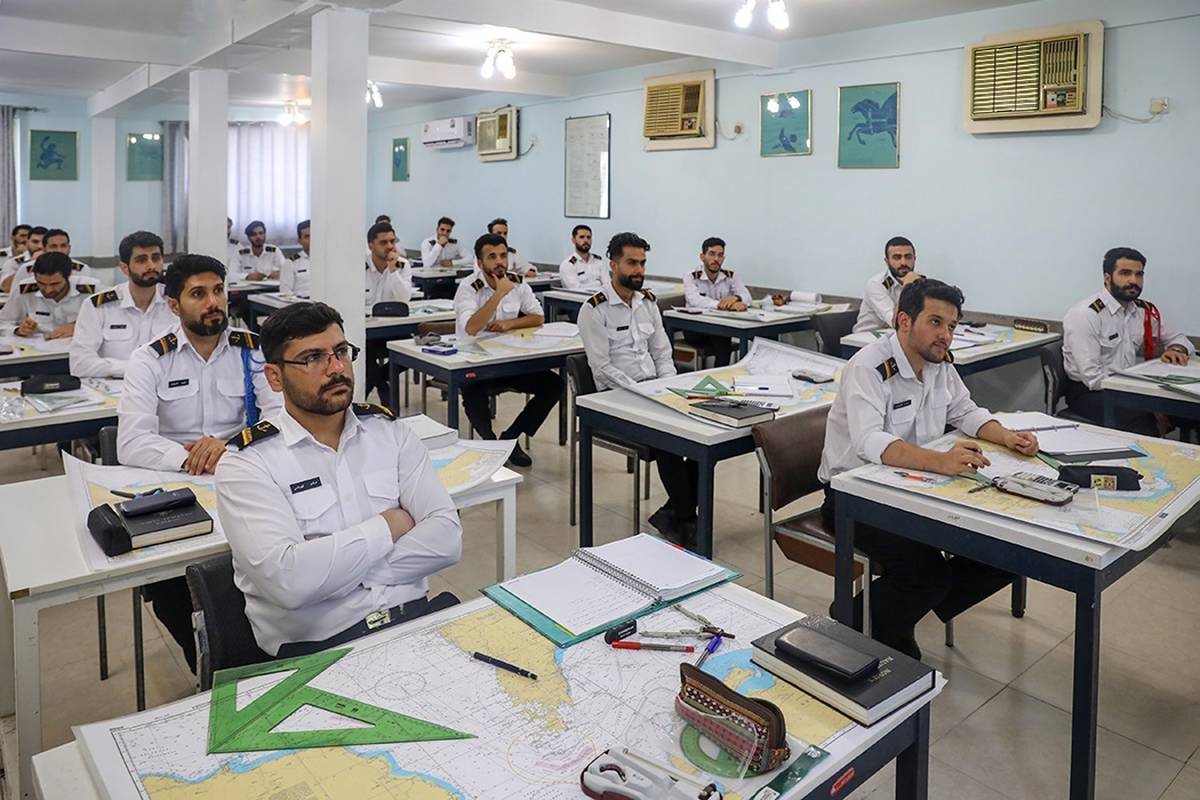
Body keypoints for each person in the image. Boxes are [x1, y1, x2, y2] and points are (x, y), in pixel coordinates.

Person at [216, 301, 463, 657]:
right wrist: (389, 525)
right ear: (274, 377)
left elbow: (447, 539)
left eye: (341, 352)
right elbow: (290, 582)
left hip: (413, 623)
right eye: (312, 358)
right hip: (317, 652)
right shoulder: (247, 463)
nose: (336, 368)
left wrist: (336, 573)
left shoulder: (391, 434)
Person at [819, 278, 1037, 660]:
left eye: (951, 326)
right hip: (854, 495)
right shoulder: (869, 366)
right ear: (904, 320)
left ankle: (895, 609)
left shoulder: (938, 363)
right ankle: (858, 619)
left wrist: (1006, 436)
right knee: (926, 574)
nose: (946, 336)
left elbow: (965, 411)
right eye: (935, 322)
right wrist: (941, 460)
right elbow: (869, 441)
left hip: (917, 488)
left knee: (1008, 550)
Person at [116, 254, 282, 672]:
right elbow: (131, 443)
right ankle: (216, 674)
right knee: (173, 589)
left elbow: (280, 419)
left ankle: (267, 655)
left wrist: (227, 448)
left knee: (274, 565)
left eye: (218, 291)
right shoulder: (149, 359)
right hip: (177, 489)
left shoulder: (253, 350)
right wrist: (192, 457)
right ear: (174, 305)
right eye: (198, 294)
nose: (213, 302)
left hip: (245, 475)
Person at [577, 232, 700, 546]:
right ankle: (687, 519)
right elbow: (601, 368)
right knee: (668, 439)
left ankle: (674, 513)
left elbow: (662, 353)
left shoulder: (648, 303)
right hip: (616, 399)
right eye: (632, 263)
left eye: (642, 263)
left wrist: (667, 386)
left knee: (702, 434)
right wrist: (642, 392)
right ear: (613, 264)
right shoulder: (594, 309)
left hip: (654, 391)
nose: (639, 270)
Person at [453, 233, 560, 467]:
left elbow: (538, 316)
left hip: (507, 360)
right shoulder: (469, 287)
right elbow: (471, 327)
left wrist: (509, 323)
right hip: (474, 361)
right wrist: (499, 293)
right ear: (480, 262)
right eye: (492, 257)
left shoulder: (517, 282)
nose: (500, 262)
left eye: (503, 256)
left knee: (554, 384)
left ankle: (510, 438)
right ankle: (491, 445)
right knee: (472, 390)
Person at [1062, 247, 1194, 434]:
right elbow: (1093, 378)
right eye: (1125, 273)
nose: (1134, 281)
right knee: (1143, 420)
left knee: (1190, 410)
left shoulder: (1142, 311)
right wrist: (1144, 399)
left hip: (1129, 387)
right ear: (1107, 278)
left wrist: (1177, 349)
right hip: (1090, 392)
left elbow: (1179, 338)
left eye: (1139, 274)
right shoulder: (1085, 315)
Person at [70, 231, 175, 378]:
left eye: (156, 258)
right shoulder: (98, 306)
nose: (151, 266)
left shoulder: (176, 302)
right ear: (124, 268)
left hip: (166, 387)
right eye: (141, 260)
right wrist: (138, 369)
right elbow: (80, 365)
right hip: (115, 388)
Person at [682, 237, 752, 367]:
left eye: (720, 255)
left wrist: (736, 298)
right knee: (722, 339)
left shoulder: (730, 276)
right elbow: (694, 300)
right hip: (695, 328)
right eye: (712, 254)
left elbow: (747, 296)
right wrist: (722, 304)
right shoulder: (691, 276)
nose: (716, 259)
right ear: (702, 257)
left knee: (724, 338)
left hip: (720, 328)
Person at [364, 221, 413, 403]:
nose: (390, 246)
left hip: (393, 328)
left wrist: (393, 272)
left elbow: (403, 299)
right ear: (371, 245)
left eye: (392, 241)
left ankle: (377, 381)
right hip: (367, 331)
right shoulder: (358, 266)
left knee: (410, 350)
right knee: (365, 349)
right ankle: (385, 391)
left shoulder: (402, 265)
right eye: (383, 242)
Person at [0, 252, 96, 338]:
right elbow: (3, 322)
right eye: (41, 283)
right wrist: (18, 330)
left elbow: (104, 324)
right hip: (36, 349)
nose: (48, 290)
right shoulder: (24, 290)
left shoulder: (91, 290)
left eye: (55, 284)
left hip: (78, 349)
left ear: (69, 276)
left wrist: (78, 327)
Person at [853, 236, 924, 333]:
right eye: (897, 257)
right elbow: (896, 323)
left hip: (897, 335)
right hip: (866, 338)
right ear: (887, 261)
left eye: (908, 257)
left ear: (914, 259)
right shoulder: (876, 284)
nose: (903, 263)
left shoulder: (920, 281)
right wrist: (907, 286)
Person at [558, 224, 606, 290]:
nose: (586, 240)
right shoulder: (568, 265)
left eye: (588, 237)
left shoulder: (599, 262)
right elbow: (576, 289)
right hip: (578, 296)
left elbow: (608, 285)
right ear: (573, 240)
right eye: (581, 237)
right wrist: (598, 283)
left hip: (602, 296)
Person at [0, 225, 47, 291]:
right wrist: (32, 265)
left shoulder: (56, 260)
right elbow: (6, 287)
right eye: (35, 242)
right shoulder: (14, 262)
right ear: (27, 243)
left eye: (44, 242)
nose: (40, 246)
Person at [280, 219, 312, 296]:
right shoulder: (291, 263)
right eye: (307, 236)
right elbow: (285, 292)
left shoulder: (328, 260)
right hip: (301, 302)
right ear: (299, 240)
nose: (311, 239)